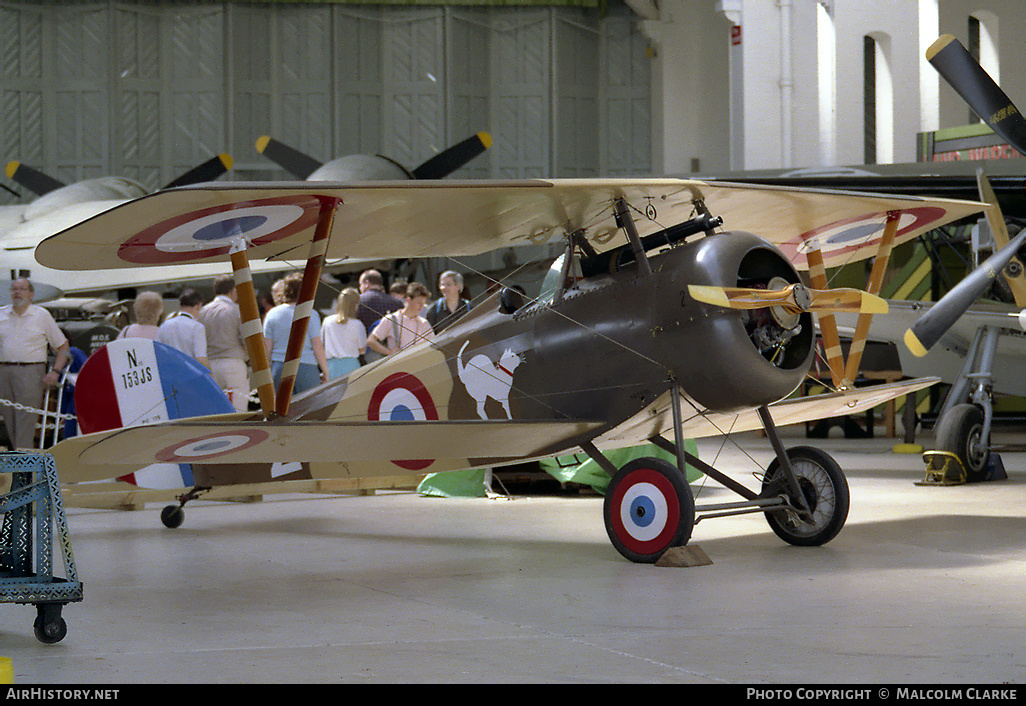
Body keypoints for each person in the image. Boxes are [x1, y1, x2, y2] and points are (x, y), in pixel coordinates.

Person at [0, 278, 71, 450]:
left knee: (25, 423)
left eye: (22, 289)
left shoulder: (42, 315)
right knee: (10, 422)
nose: (17, 292)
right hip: (4, 371)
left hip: (31, 372)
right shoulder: (1, 314)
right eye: (14, 289)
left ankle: (22, 467)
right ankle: (22, 462)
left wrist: (55, 371)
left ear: (31, 294)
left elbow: (63, 346)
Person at [263, 272, 329, 394]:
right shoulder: (311, 313)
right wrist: (325, 371)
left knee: (283, 410)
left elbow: (267, 347)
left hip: (279, 367)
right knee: (310, 407)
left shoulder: (271, 314)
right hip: (306, 366)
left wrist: (266, 373)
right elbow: (317, 346)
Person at [198, 275, 250, 412]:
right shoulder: (237, 310)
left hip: (210, 363)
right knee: (238, 408)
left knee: (216, 409)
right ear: (233, 291)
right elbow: (247, 340)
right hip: (233, 362)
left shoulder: (203, 312)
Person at [367, 282, 435, 357]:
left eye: (423, 303)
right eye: (418, 302)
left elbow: (433, 346)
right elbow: (371, 341)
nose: (421, 306)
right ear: (408, 300)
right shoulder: (391, 319)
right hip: (397, 365)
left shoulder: (423, 323)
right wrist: (390, 352)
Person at [158, 288, 210, 369]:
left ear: (180, 305)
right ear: (199, 306)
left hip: (170, 372)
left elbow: (158, 352)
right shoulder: (197, 327)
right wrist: (210, 375)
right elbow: (200, 358)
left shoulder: (164, 325)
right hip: (190, 373)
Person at [320, 288, 366, 379]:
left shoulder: (327, 321)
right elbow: (362, 349)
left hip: (331, 365)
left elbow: (322, 344)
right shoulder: (358, 324)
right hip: (351, 365)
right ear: (355, 305)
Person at [424, 270, 471, 334]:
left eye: (448, 285)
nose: (444, 288)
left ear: (458, 286)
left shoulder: (468, 307)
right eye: (442, 284)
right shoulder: (434, 310)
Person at [356, 269, 401, 333]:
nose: (360, 288)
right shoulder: (397, 303)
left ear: (366, 283)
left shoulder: (357, 301)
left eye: (360, 284)